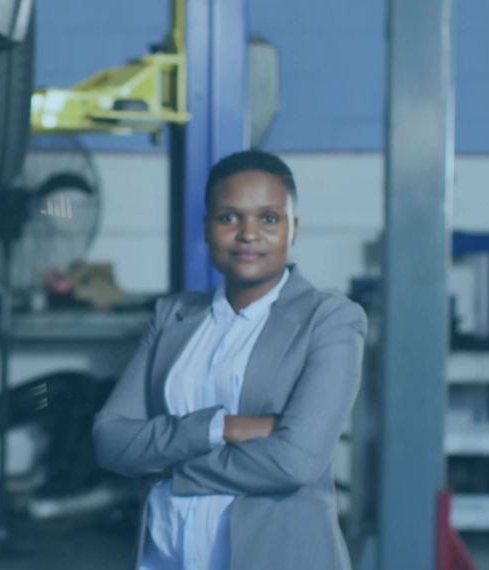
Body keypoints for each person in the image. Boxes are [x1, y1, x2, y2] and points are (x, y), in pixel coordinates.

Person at [93, 150, 367, 570]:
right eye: (228, 218)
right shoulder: (174, 315)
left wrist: (168, 470)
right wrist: (222, 427)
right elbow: (110, 441)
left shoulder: (328, 319)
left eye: (269, 218)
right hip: (165, 554)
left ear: (294, 228)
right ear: (206, 229)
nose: (248, 234)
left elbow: (295, 461)